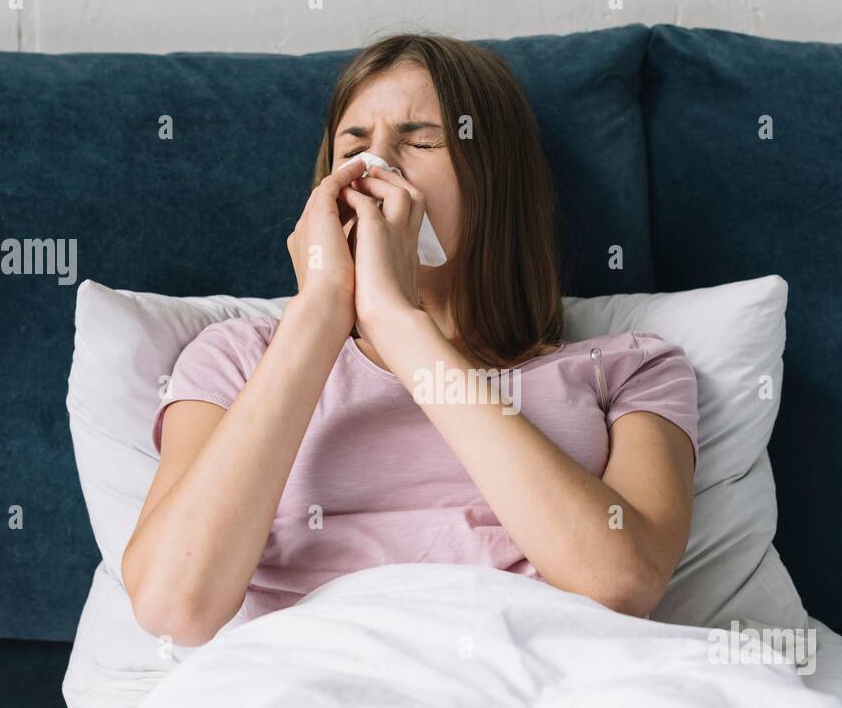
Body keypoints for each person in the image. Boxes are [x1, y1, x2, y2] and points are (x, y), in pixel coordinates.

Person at [121, 33, 699, 646]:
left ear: (495, 181)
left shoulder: (633, 369)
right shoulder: (237, 359)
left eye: (420, 140)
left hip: (537, 671)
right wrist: (319, 312)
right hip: (307, 683)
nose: (377, 166)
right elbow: (173, 606)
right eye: (354, 145)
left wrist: (398, 323)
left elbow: (620, 583)